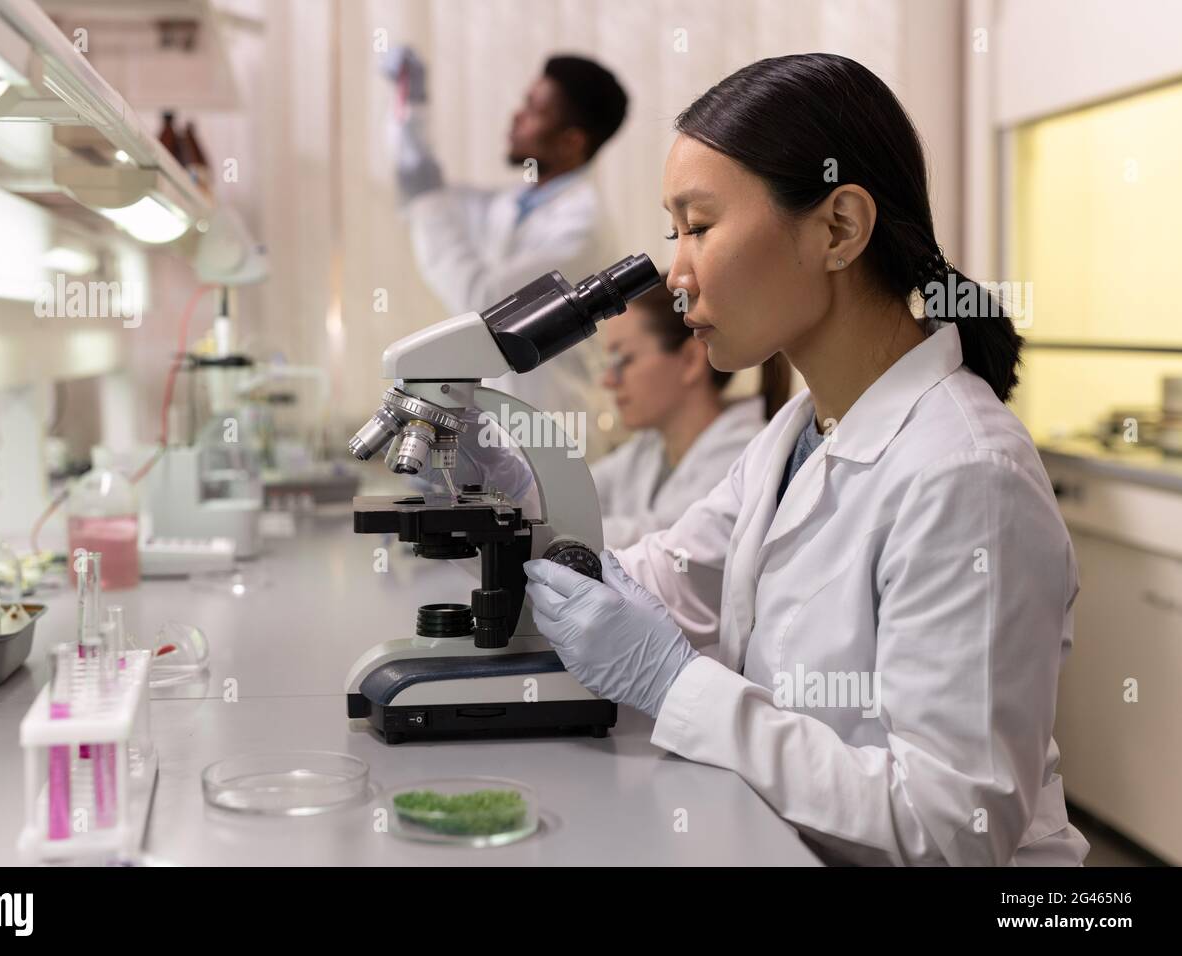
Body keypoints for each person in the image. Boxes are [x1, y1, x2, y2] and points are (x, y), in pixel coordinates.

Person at [521, 53, 1089, 866]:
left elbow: (951, 827)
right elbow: (665, 583)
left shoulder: (969, 477)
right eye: (672, 231)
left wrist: (678, 687)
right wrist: (527, 505)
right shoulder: (802, 429)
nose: (676, 274)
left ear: (839, 228)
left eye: (701, 226)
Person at [383, 49, 628, 459]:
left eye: (534, 110)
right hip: (505, 431)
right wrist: (411, 108)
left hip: (552, 431)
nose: (516, 116)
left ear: (572, 141)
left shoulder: (580, 228)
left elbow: (484, 302)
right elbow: (419, 186)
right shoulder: (511, 205)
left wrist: (426, 198)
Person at [592, 278, 766, 550]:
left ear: (691, 361)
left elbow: (666, 539)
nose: (608, 381)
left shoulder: (743, 453)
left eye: (623, 360)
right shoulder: (648, 448)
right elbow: (578, 492)